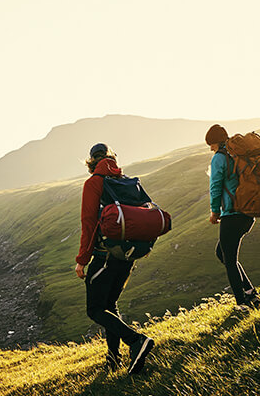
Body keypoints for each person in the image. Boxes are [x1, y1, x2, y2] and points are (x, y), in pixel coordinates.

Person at [74, 143, 154, 374]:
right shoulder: (126, 180)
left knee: (95, 309)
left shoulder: (93, 183)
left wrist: (82, 260)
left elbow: (89, 224)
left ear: (91, 162)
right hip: (127, 255)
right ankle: (113, 359)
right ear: (112, 159)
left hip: (104, 256)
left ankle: (136, 341)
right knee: (110, 305)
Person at [205, 124, 260, 311]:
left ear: (214, 142)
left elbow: (215, 186)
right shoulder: (237, 155)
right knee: (222, 253)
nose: (210, 148)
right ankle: (250, 293)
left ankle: (242, 303)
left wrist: (215, 211)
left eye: (210, 145)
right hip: (248, 213)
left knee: (228, 258)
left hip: (232, 215)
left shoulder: (219, 158)